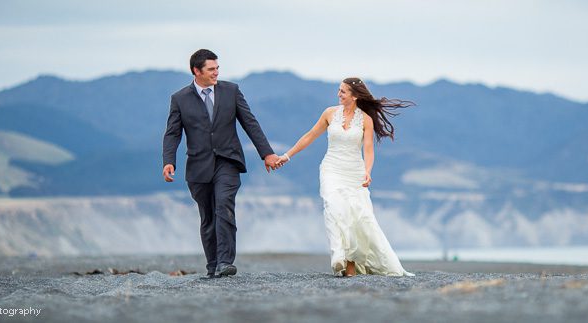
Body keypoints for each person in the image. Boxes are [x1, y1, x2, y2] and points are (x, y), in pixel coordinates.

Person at [275, 77, 415, 277]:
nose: (338, 94)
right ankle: (338, 257)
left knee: (357, 217)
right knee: (334, 209)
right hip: (331, 169)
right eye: (339, 90)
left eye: (343, 91)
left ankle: (351, 267)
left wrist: (367, 171)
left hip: (354, 173)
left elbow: (368, 150)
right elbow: (309, 136)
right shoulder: (329, 113)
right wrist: (286, 156)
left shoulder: (365, 119)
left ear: (355, 96)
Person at [162, 49, 281, 279]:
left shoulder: (231, 91)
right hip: (198, 165)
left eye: (217, 68)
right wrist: (169, 161)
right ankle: (213, 265)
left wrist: (266, 153)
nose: (217, 72)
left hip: (228, 160)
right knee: (208, 217)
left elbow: (250, 123)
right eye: (211, 69)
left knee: (224, 206)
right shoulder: (179, 99)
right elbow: (172, 133)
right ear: (196, 71)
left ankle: (226, 262)